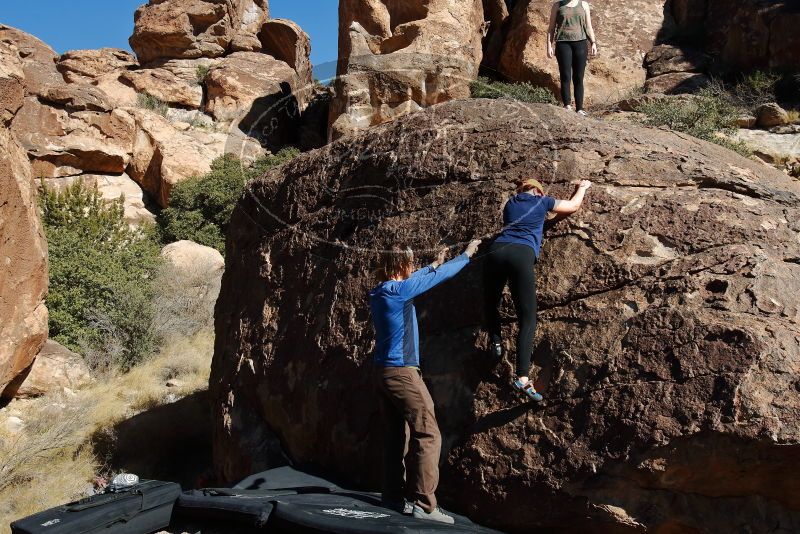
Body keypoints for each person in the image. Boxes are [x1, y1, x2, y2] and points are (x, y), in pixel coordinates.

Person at [370, 239, 482, 524]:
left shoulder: (382, 291)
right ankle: (425, 505)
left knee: (397, 436)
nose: (411, 267)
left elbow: (416, 280)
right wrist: (465, 256)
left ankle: (392, 497)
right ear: (400, 265)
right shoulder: (399, 291)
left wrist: (432, 265)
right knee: (428, 433)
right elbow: (434, 280)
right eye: (408, 263)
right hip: (402, 372)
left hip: (383, 373)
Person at [484, 177, 592, 402]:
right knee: (527, 317)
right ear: (540, 192)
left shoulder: (510, 204)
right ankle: (522, 377)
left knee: (490, 301)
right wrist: (581, 188)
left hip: (496, 251)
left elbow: (541, 221)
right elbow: (572, 207)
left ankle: (495, 342)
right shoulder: (542, 202)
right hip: (520, 254)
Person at [547, 0, 598, 116]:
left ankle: (580, 108)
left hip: (580, 43)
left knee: (578, 77)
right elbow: (551, 28)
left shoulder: (583, 5)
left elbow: (589, 26)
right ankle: (567, 106)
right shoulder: (557, 6)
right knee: (565, 75)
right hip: (563, 43)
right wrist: (549, 46)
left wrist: (593, 42)